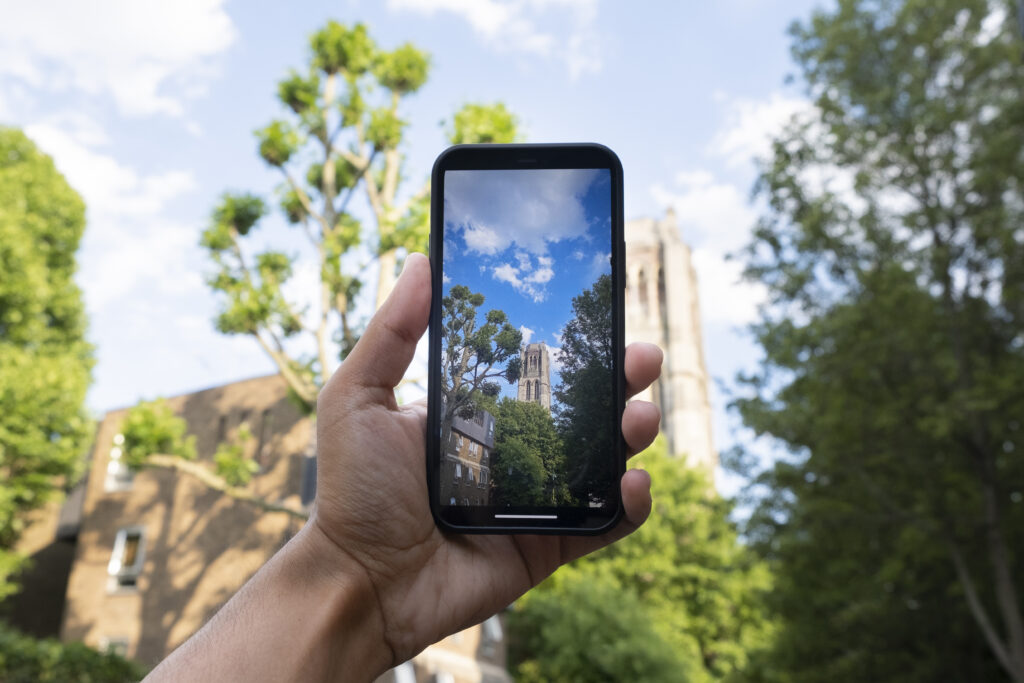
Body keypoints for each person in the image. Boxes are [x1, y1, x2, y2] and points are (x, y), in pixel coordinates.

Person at [144, 252, 662, 682]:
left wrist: (354, 574)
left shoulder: (540, 402)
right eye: (529, 369)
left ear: (539, 371)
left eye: (534, 369)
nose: (531, 373)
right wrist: (352, 563)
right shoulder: (493, 413)